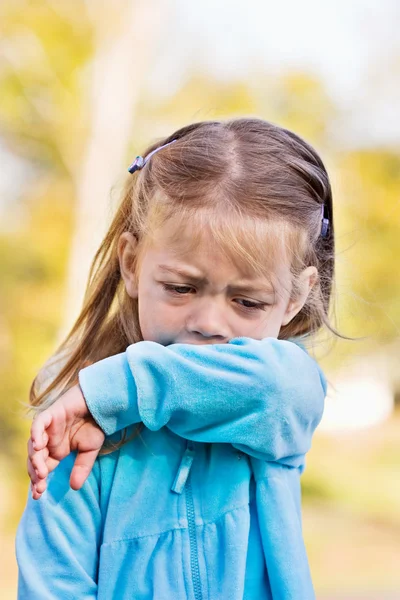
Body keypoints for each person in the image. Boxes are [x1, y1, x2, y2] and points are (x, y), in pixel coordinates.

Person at [16, 118, 335, 600]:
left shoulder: (281, 398)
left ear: (294, 298)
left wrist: (120, 388)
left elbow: (280, 387)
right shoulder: (80, 437)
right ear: (131, 264)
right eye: (182, 288)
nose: (209, 322)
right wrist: (102, 404)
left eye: (247, 302)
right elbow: (51, 586)